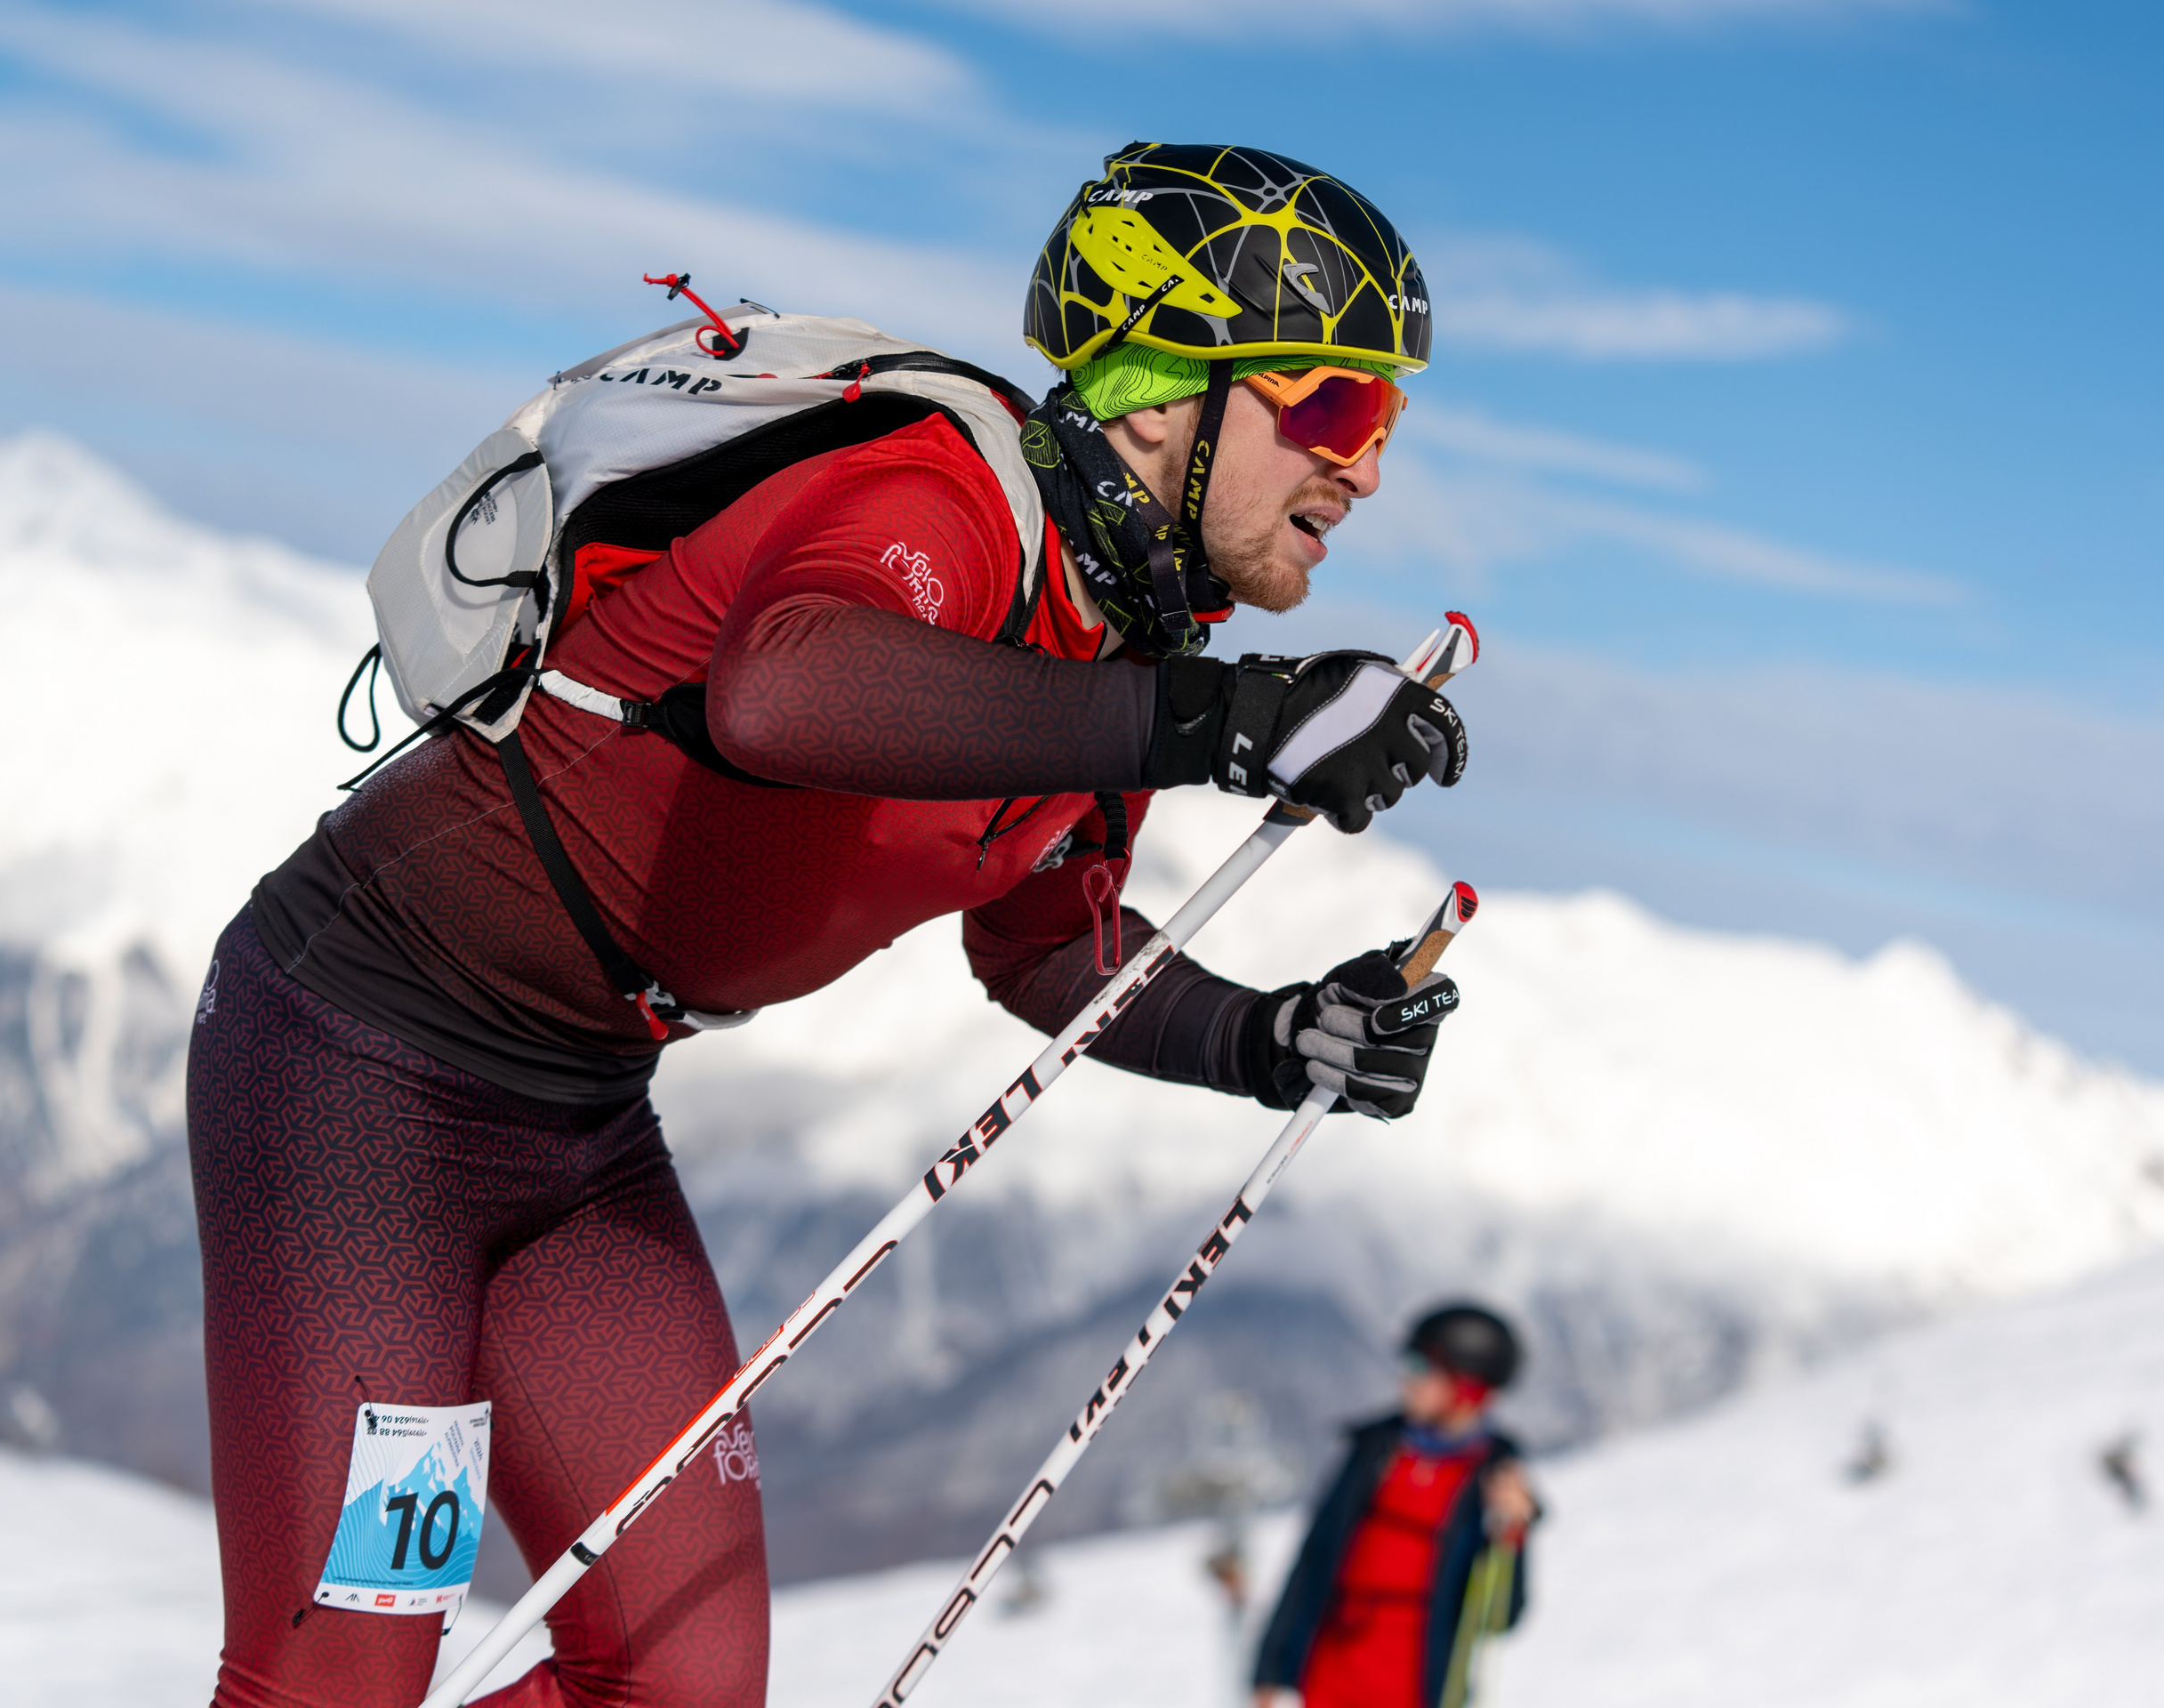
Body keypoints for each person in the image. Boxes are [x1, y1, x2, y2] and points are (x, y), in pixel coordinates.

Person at [187, 141, 1470, 1708]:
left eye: (1386, 419)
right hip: (359, 1073)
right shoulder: (941, 494)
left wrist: (1272, 1038)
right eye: (1334, 406)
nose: (1370, 468)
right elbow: (790, 683)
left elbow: (1047, 956)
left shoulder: (1106, 636)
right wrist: (1214, 718)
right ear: (1159, 395)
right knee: (337, 1681)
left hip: (580, 1130)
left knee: (684, 1689)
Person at [1253, 1305, 1538, 1708]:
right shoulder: (1374, 1450)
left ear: (1467, 1386)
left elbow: (1498, 1617)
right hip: (1327, 1680)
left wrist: (1512, 1534)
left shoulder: (1494, 1481)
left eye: (1422, 1366)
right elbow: (1314, 1562)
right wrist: (1271, 1670)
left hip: (1413, 1690)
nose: (1406, 1378)